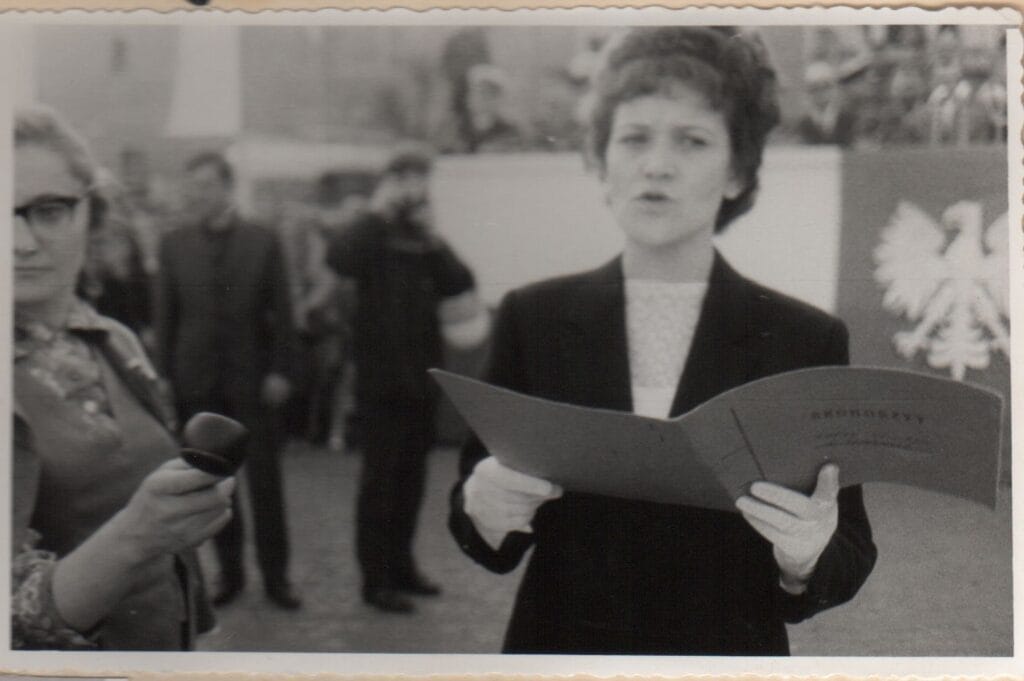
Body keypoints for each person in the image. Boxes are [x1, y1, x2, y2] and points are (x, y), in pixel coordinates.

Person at [448, 26, 877, 654]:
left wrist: (806, 553)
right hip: (563, 650)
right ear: (601, 162)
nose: (656, 164)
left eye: (692, 140)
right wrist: (483, 507)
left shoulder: (804, 341)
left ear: (737, 172)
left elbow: (849, 549)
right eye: (634, 138)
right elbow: (482, 526)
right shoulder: (533, 319)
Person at [12, 105, 232, 650]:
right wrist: (136, 535)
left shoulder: (113, 340)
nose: (20, 242)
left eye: (49, 210)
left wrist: (198, 632)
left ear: (92, 213)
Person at [326, 148, 481, 614]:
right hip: (380, 381)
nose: (416, 188)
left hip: (420, 380)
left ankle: (403, 567)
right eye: (408, 178)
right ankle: (375, 580)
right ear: (391, 181)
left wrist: (434, 237)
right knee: (380, 484)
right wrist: (379, 211)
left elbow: (459, 282)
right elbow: (340, 258)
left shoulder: (421, 237)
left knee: (411, 482)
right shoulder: (372, 232)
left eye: (421, 179)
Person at [155, 152, 302, 610]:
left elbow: (284, 312)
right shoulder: (173, 244)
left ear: (227, 187)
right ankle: (230, 574)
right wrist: (164, 375)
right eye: (191, 186)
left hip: (253, 380)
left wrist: (281, 369)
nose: (196, 195)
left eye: (205, 185)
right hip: (197, 381)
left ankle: (277, 578)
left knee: (265, 482)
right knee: (213, 481)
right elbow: (165, 316)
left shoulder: (262, 240)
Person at [795, 61, 858, 147]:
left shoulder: (847, 118)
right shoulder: (803, 123)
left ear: (834, 89)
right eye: (814, 89)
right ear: (809, 93)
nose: (820, 93)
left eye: (825, 87)